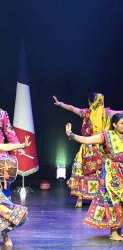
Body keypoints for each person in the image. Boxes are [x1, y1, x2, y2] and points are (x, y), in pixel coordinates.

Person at [54, 93, 123, 207]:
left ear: (90, 102)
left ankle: (80, 198)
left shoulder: (86, 112)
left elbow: (72, 108)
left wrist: (60, 104)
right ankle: (102, 199)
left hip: (87, 147)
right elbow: (119, 113)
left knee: (82, 172)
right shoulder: (107, 113)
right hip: (100, 147)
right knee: (101, 174)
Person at [65, 113, 123, 241]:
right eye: (122, 124)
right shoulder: (106, 136)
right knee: (114, 201)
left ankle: (119, 230)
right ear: (114, 125)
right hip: (112, 173)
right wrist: (72, 135)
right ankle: (114, 232)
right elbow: (87, 140)